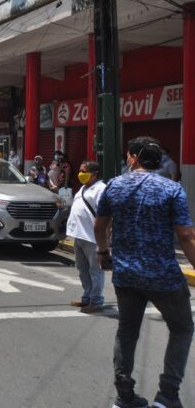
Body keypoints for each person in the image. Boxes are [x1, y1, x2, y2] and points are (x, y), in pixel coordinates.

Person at [95, 137, 195, 408]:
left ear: (133, 157)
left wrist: (104, 253)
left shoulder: (114, 185)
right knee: (183, 328)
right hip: (163, 275)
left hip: (126, 275)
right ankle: (167, 396)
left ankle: (124, 395)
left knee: (127, 331)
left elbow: (100, 225)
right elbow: (186, 235)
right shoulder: (172, 189)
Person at [66, 160, 106, 313]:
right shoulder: (84, 187)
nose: (80, 174)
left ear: (94, 174)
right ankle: (86, 297)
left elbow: (106, 214)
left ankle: (96, 301)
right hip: (79, 235)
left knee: (95, 271)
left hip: (92, 237)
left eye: (84, 171)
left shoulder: (101, 189)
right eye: (80, 170)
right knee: (82, 269)